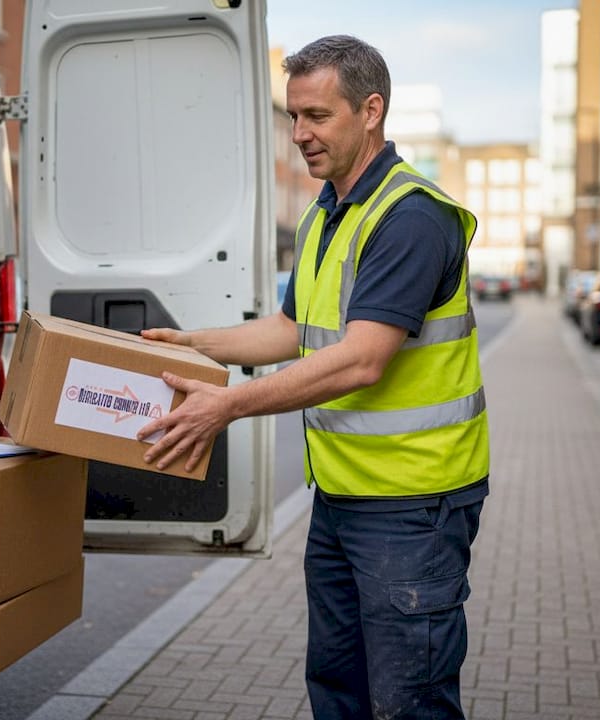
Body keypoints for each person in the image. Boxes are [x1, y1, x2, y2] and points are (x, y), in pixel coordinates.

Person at [136, 34, 489, 719]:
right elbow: (290, 328)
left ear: (371, 111)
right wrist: (191, 343)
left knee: (409, 703)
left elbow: (362, 358)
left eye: (317, 116)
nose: (299, 133)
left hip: (413, 505)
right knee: (337, 688)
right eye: (295, 116)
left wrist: (228, 405)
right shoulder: (326, 213)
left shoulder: (411, 217)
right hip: (341, 497)